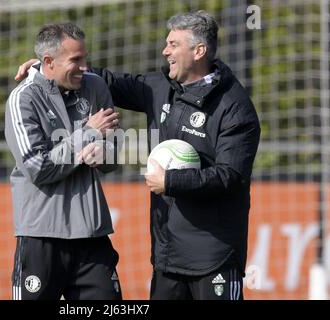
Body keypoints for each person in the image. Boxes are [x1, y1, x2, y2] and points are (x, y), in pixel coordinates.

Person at [15, 11, 260, 300]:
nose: (165, 50)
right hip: (168, 257)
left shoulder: (235, 106)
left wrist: (170, 182)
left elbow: (230, 176)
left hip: (215, 255)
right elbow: (108, 80)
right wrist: (51, 68)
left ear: (199, 51)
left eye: (173, 44)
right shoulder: (158, 87)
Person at [5, 22, 122, 300]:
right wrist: (88, 135)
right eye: (76, 60)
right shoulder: (23, 98)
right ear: (48, 61)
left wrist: (105, 153)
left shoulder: (95, 85)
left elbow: (116, 151)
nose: (84, 66)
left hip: (92, 237)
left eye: (84, 57)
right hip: (41, 237)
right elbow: (37, 167)